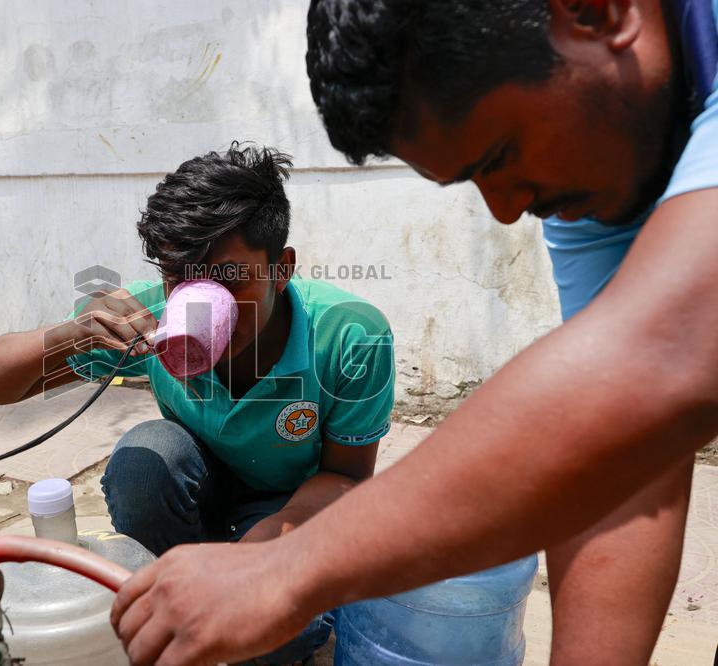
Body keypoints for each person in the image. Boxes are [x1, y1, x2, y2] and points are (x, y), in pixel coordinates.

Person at [110, 2, 718, 664]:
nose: (509, 209)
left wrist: (286, 570)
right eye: (471, 178)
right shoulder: (601, 171)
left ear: (593, 12)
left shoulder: (346, 335)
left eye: (501, 152)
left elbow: (657, 364)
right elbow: (621, 438)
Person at [0, 143, 395, 664]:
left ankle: (211, 612)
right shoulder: (146, 321)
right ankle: (174, 602)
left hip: (292, 509)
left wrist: (255, 559)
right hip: (201, 493)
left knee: (274, 639)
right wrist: (72, 335)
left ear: (282, 269)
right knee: (147, 454)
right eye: (179, 276)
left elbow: (347, 479)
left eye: (227, 279)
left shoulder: (348, 336)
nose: (196, 299)